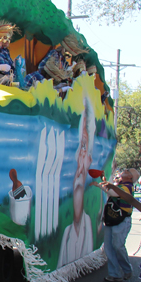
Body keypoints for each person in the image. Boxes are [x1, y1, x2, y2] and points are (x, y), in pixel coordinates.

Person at [57, 95, 95, 267]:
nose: (80, 159)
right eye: (78, 146)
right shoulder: (67, 233)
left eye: (84, 146)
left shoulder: (85, 228)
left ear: (89, 159)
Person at [102, 168, 138, 282]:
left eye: (128, 171)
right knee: (109, 247)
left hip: (121, 219)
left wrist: (99, 186)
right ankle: (114, 273)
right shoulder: (121, 185)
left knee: (117, 246)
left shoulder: (127, 187)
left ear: (131, 177)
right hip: (112, 218)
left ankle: (126, 269)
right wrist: (103, 179)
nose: (125, 171)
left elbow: (112, 192)